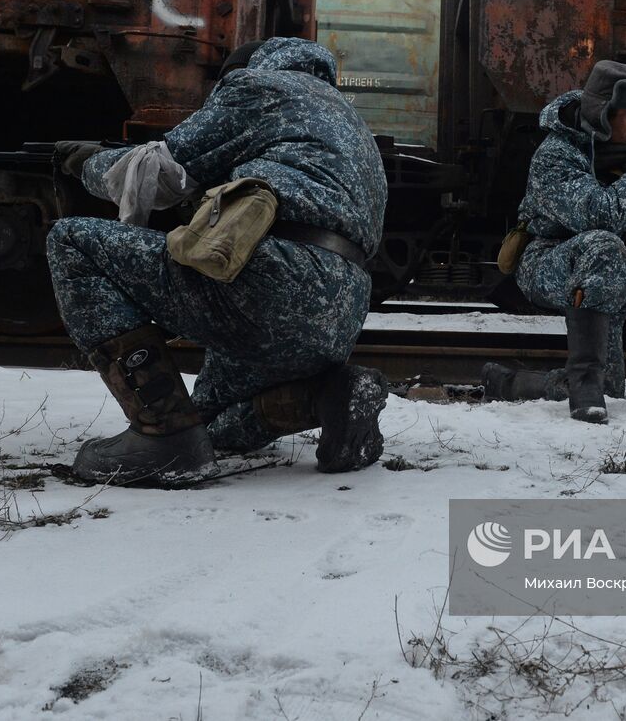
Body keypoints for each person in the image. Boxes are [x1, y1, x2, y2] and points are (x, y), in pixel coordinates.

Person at [46, 37, 390, 486]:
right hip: (337, 320)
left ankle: (162, 437)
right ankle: (328, 398)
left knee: (72, 241)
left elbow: (159, 173)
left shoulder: (258, 86)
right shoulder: (351, 125)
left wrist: (88, 162)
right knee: (212, 424)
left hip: (272, 288)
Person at [482, 60, 626, 423]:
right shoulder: (556, 154)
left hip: (601, 278)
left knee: (613, 387)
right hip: (545, 261)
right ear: (603, 112)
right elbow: (598, 214)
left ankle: (510, 383)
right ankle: (584, 385)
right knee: (604, 242)